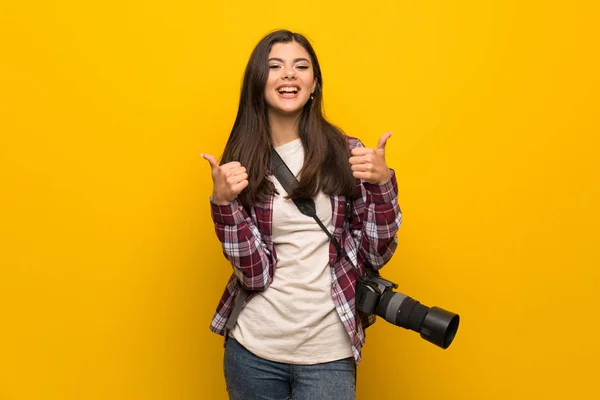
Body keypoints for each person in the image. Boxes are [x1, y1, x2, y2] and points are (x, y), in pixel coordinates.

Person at [201, 29, 402, 400]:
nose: (289, 74)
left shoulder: (347, 153)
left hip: (328, 350)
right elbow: (254, 272)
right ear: (258, 82)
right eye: (275, 66)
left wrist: (382, 184)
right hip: (253, 348)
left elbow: (377, 253)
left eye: (300, 66)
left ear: (315, 84)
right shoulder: (241, 161)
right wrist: (224, 205)